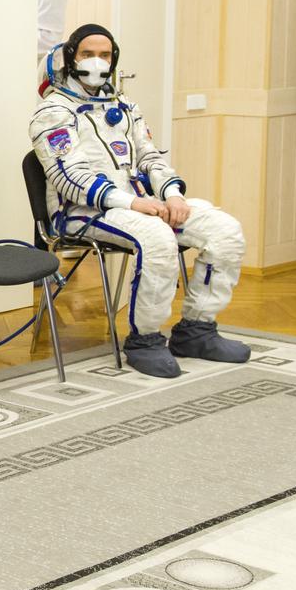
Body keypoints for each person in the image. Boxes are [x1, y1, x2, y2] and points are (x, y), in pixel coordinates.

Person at [30, 23, 249, 377]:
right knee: (157, 237)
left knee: (224, 230)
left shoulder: (125, 106)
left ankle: (197, 330)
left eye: (105, 55)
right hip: (82, 212)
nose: (97, 62)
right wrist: (133, 204)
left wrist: (173, 196)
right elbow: (69, 179)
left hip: (142, 204)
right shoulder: (53, 112)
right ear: (70, 59)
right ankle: (145, 340)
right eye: (88, 54)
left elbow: (150, 157)